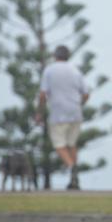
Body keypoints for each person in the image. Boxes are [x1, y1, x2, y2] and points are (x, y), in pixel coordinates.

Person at [36, 45, 89, 190]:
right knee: (72, 144)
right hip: (75, 112)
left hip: (58, 113)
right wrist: (79, 104)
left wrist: (40, 112)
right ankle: (74, 174)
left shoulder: (49, 70)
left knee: (59, 144)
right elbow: (85, 93)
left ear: (55, 56)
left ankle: (72, 168)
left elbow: (43, 94)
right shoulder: (75, 70)